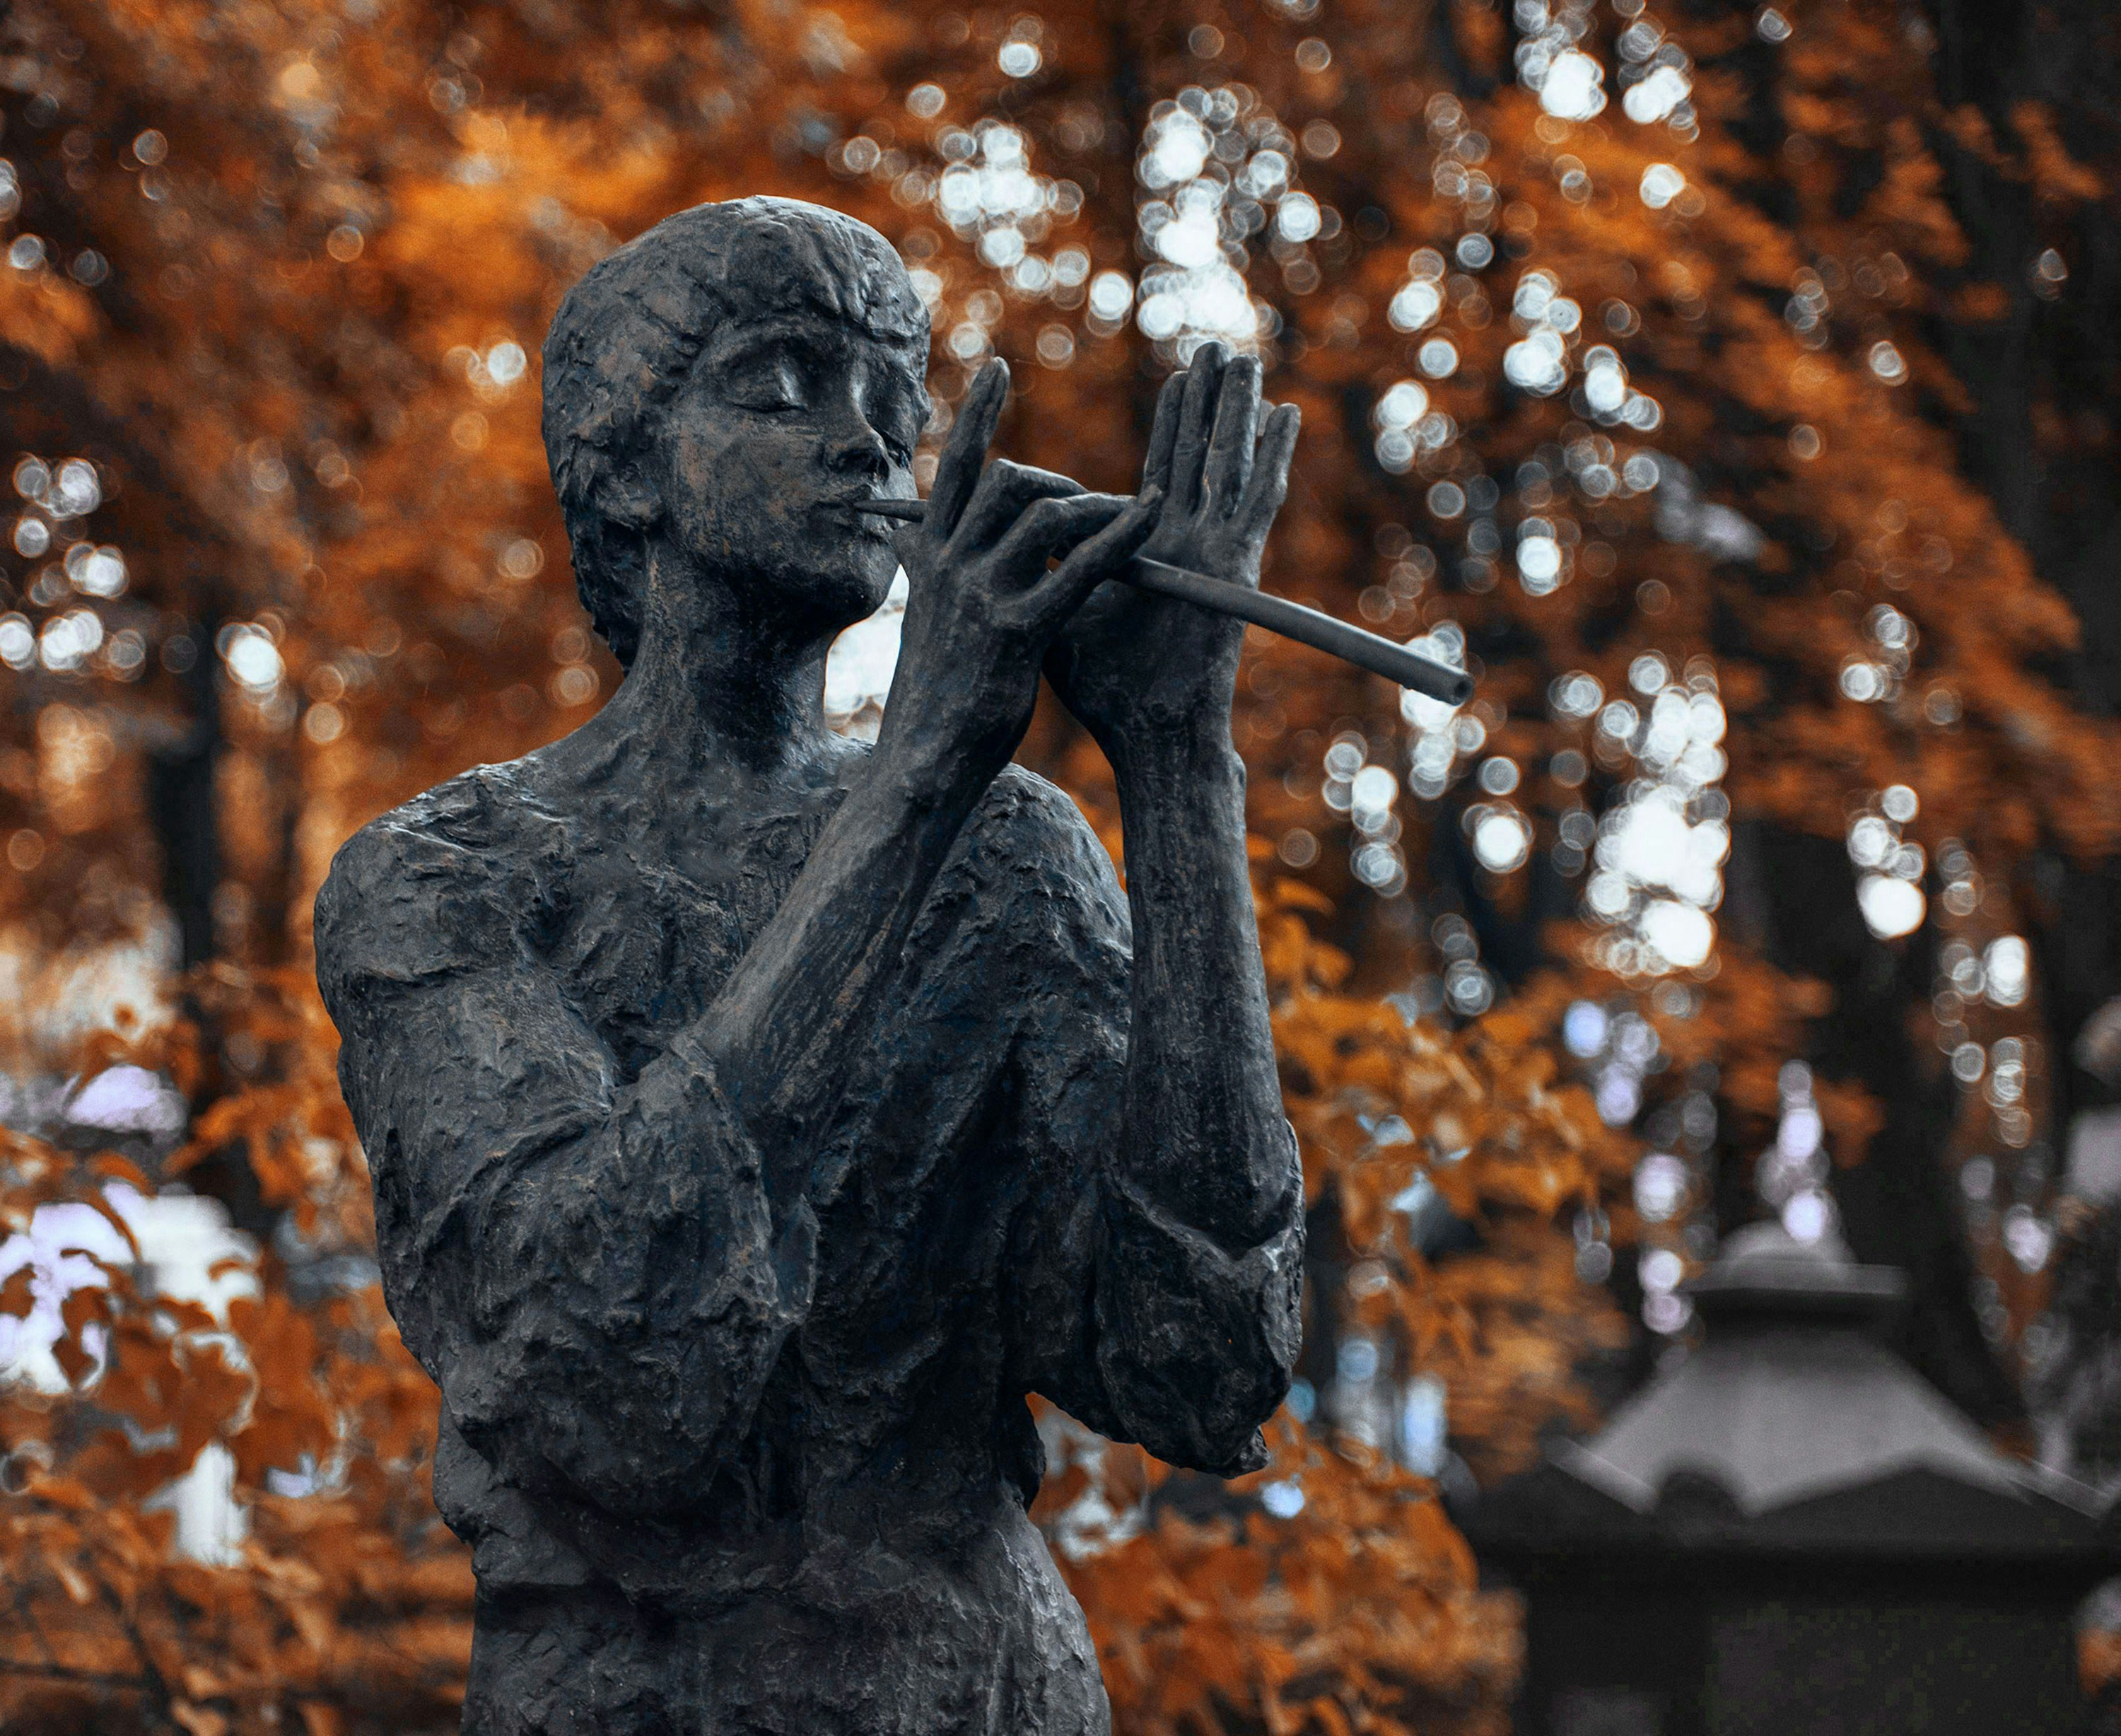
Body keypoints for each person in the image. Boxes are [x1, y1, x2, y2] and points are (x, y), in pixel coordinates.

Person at [314, 194, 1305, 1735]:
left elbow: (1197, 1368)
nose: (864, 443)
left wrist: (1180, 762)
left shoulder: (1013, 855)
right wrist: (915, 773)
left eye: (894, 406)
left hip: (982, 1690)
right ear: (625, 460)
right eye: (781, 385)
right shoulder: (447, 877)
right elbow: (604, 1380)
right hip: (638, 1693)